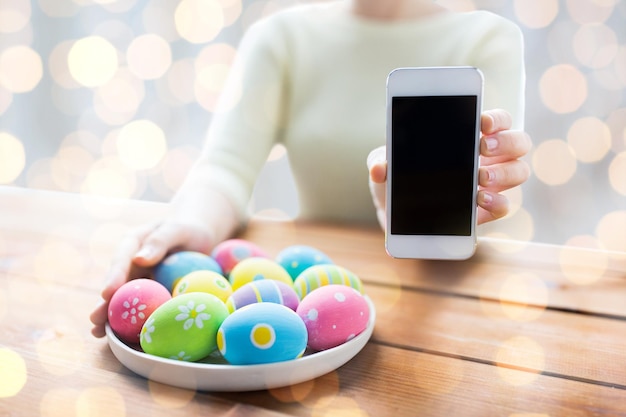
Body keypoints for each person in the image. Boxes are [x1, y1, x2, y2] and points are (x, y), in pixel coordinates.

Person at [90, 0, 531, 337]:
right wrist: (187, 225)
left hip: (453, 312)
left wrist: (454, 207)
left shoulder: (487, 37)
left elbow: (484, 191)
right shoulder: (281, 36)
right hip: (311, 311)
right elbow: (225, 168)